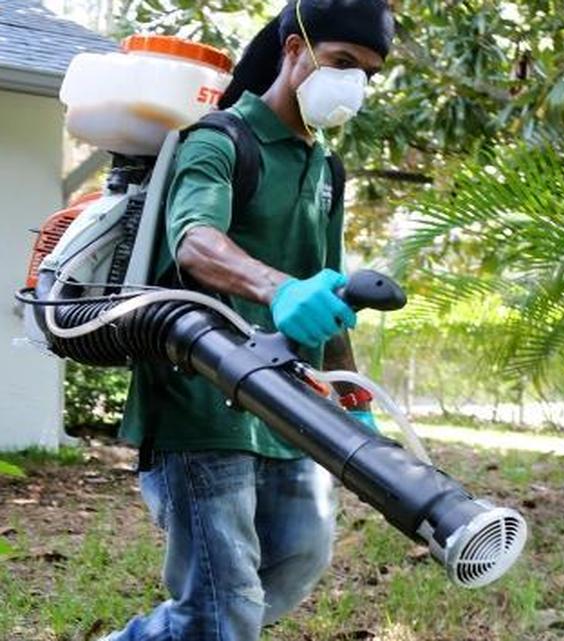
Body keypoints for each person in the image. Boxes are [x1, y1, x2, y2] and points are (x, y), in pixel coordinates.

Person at [103, 1, 394, 639]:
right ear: (294, 51)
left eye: (368, 73)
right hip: (203, 399)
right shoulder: (220, 137)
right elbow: (194, 241)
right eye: (343, 62)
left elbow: (329, 291)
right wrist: (278, 287)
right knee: (225, 603)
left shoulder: (326, 167)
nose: (353, 83)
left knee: (294, 563)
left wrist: (352, 398)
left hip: (293, 408)